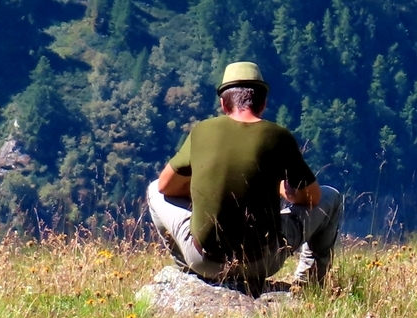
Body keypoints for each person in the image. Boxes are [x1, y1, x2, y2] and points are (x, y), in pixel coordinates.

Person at [146, 62, 345, 295]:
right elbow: (314, 197)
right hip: (263, 262)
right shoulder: (279, 137)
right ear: (263, 103)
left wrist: (204, 191)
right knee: (332, 198)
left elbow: (165, 186)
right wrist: (284, 191)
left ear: (223, 103)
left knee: (153, 191)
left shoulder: (202, 131)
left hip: (203, 260)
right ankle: (309, 286)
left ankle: (188, 270)